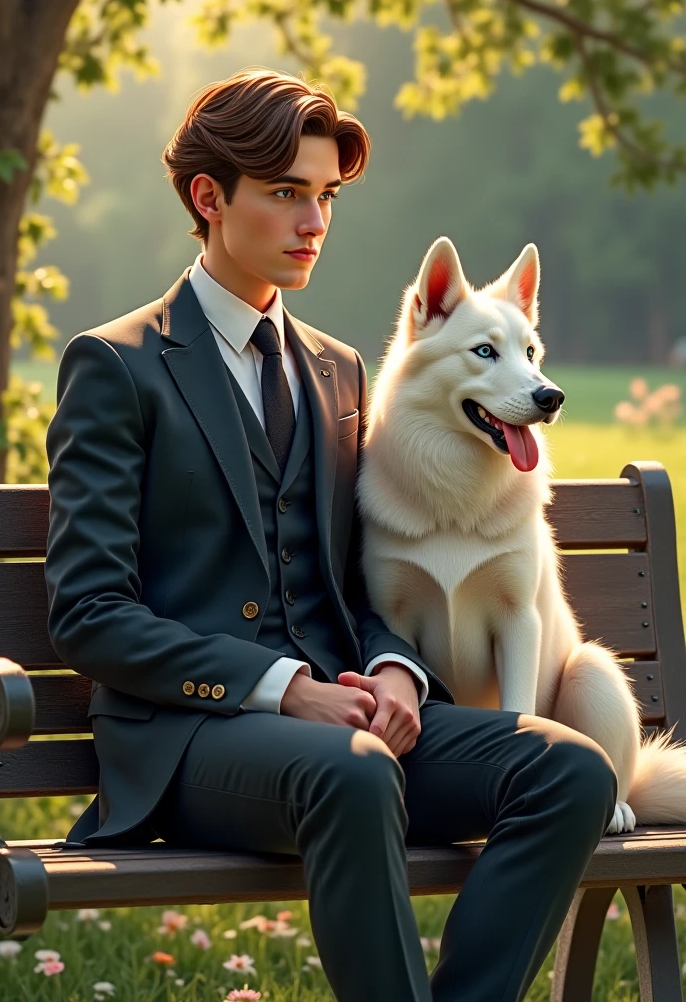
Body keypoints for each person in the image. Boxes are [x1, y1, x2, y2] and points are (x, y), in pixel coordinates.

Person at [44, 66, 618, 1002]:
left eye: (325, 197)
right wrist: (283, 688)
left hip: (349, 727)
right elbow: (89, 614)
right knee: (353, 774)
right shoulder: (117, 366)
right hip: (192, 740)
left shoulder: (339, 370)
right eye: (285, 194)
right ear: (208, 197)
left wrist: (397, 668)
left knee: (569, 772)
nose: (314, 222)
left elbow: (357, 587)